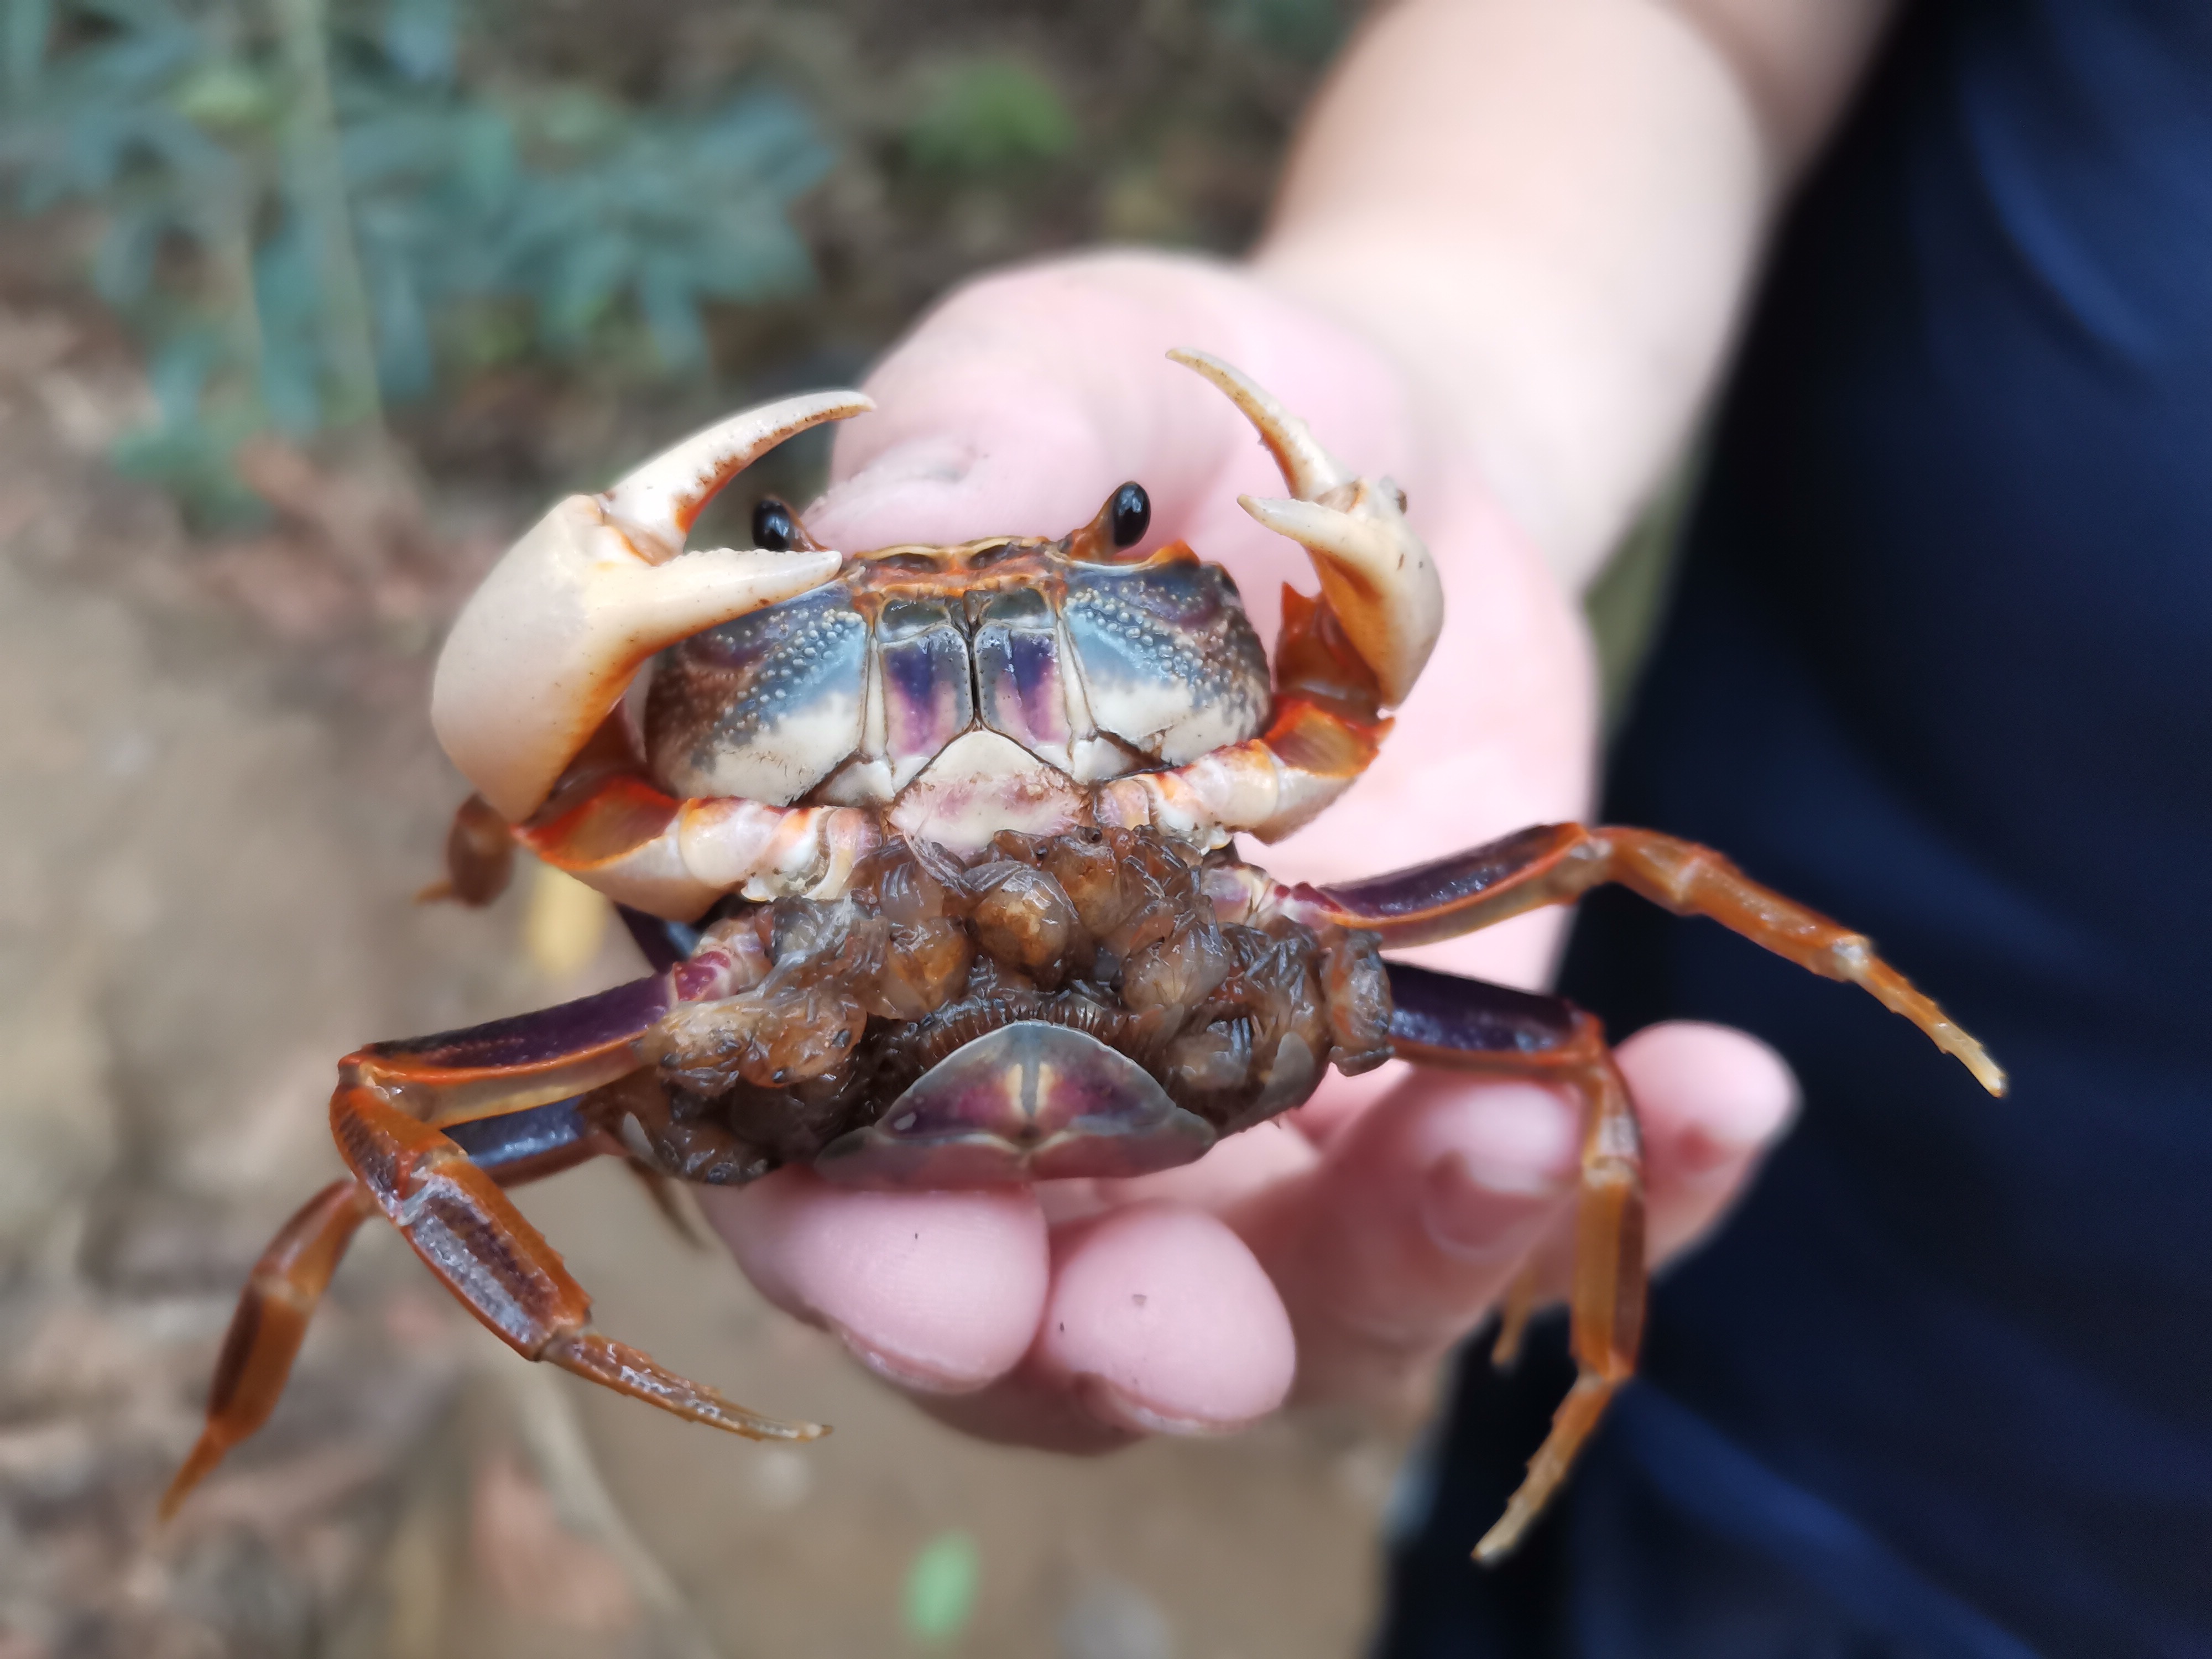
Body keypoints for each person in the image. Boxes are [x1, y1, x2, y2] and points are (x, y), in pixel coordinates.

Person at [700, 2, 2212, 1651]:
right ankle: (1580, 1415)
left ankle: (1597, 1376)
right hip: (1794, 1380)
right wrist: (1433, 375)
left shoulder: (1250, 780)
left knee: (1583, 1063)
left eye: (1116, 549)